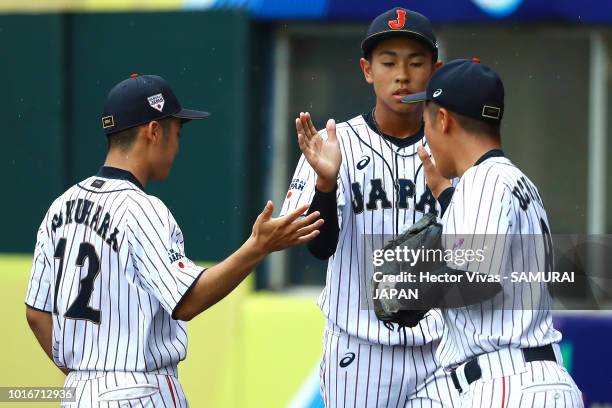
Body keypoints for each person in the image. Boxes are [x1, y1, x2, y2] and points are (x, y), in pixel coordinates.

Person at [24, 74, 323, 407]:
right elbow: (187, 301)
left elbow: (36, 315)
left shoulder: (60, 205)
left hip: (80, 392)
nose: (178, 146)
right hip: (141, 391)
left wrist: (89, 375)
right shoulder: (143, 209)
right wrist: (258, 247)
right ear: (154, 131)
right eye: (176, 132)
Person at [281, 8, 459, 407]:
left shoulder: (456, 146)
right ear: (366, 69)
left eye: (416, 63)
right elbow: (318, 248)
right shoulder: (334, 142)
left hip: (440, 348)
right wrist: (325, 185)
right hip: (359, 351)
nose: (402, 75)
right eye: (388, 62)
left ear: (436, 70)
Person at [402, 58, 584, 406]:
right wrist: (446, 196)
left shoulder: (482, 182)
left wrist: (414, 290)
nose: (425, 135)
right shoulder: (518, 182)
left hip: (505, 384)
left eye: (425, 121)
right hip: (541, 382)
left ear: (443, 119)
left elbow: (478, 277)